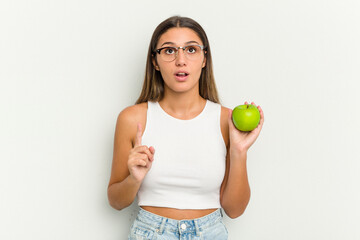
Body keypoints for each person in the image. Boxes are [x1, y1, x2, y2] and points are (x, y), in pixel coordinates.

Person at [107, 16, 264, 240]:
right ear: (155, 61)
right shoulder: (132, 119)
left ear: (204, 59)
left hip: (211, 233)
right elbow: (115, 201)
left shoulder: (226, 119)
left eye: (191, 50)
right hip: (151, 233)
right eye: (169, 51)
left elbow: (234, 209)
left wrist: (239, 151)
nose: (181, 60)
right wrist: (134, 179)